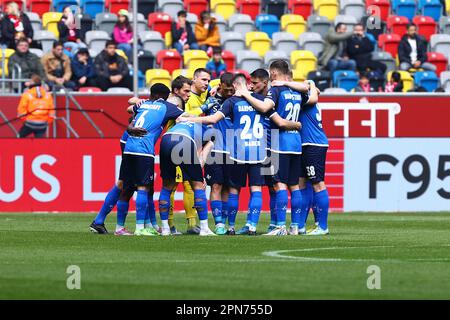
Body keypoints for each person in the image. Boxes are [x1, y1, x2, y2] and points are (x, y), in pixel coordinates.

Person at [180, 73, 302, 235]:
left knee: (233, 190)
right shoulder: (261, 101)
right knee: (256, 189)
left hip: (238, 151)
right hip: (260, 150)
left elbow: (212, 119)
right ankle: (252, 225)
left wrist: (189, 119)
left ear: (236, 86)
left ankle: (229, 226)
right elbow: (279, 120)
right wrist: (296, 124)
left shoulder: (232, 102)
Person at [236, 60, 318, 236]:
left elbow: (266, 107)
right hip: (296, 144)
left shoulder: (276, 90)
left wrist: (245, 94)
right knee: (294, 186)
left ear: (272, 74)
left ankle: (280, 226)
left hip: (279, 143)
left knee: (279, 184)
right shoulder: (296, 91)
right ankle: (295, 226)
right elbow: (313, 96)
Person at [122, 83, 186, 236]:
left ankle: (122, 227)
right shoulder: (165, 107)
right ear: (161, 97)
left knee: (128, 187)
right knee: (144, 188)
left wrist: (129, 127)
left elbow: (132, 112)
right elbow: (185, 115)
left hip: (128, 147)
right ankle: (139, 228)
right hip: (144, 150)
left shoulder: (143, 104)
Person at [271, 79, 329, 235]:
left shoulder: (307, 99)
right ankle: (301, 225)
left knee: (318, 183)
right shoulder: (302, 98)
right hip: (302, 144)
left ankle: (322, 226)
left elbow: (313, 93)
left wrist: (287, 83)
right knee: (303, 183)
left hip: (313, 144)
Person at [159, 122, 216, 236]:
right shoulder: (208, 134)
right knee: (197, 186)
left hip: (165, 139)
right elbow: (201, 156)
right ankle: (204, 229)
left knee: (167, 187)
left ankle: (165, 228)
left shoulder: (188, 124)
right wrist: (199, 177)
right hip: (184, 141)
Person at [198, 72, 235, 235]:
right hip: (215, 148)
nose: (229, 93)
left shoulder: (238, 100)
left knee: (228, 187)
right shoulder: (209, 97)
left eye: (231, 90)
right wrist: (212, 87)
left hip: (234, 149)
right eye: (227, 90)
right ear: (220, 85)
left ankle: (225, 222)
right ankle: (218, 223)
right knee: (216, 186)